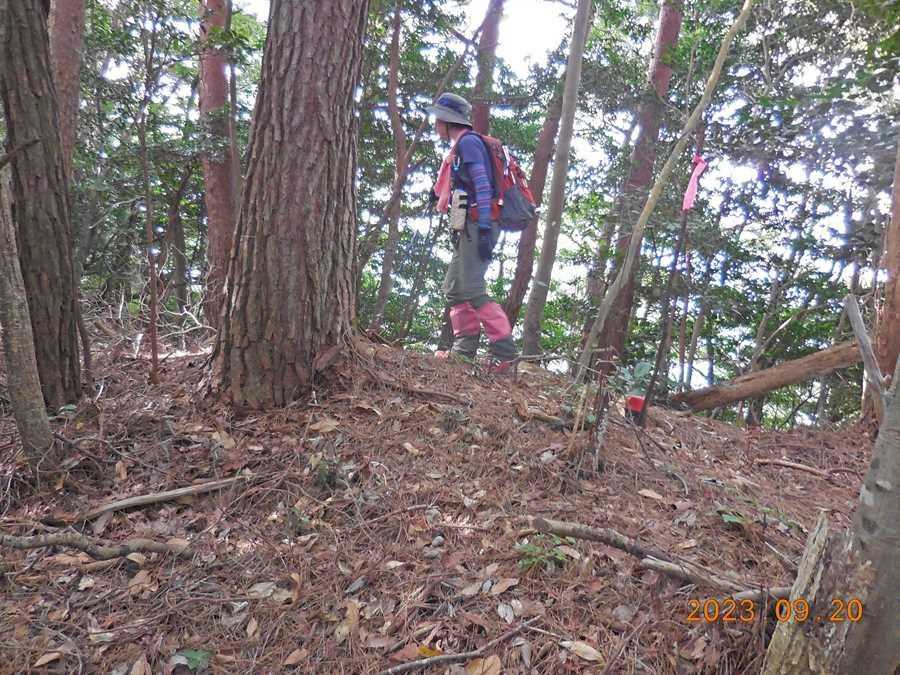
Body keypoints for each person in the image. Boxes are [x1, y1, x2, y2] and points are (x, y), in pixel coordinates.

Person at [426, 93, 518, 373]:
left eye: (437, 120)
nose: (435, 125)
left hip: (480, 224)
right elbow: (465, 189)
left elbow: (482, 184)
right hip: (471, 225)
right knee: (455, 287)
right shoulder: (460, 146)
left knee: (472, 288)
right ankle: (463, 352)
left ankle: (505, 355)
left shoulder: (468, 143)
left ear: (447, 120)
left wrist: (486, 227)